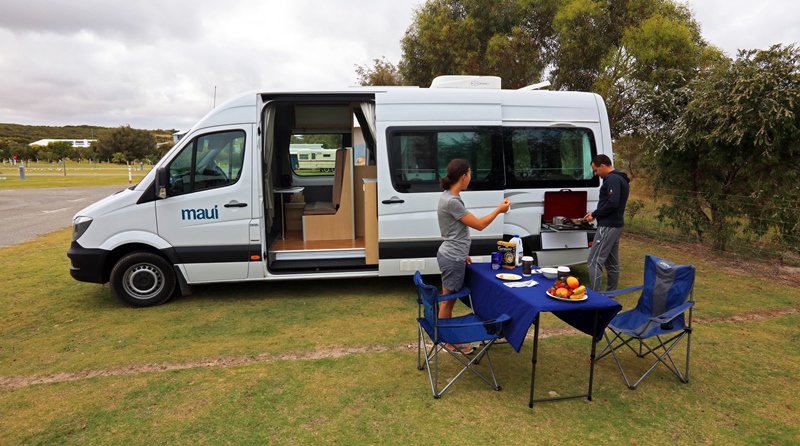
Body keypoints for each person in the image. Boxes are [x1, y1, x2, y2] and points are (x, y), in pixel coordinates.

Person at [437, 159, 510, 354]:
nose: (470, 178)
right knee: (448, 302)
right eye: (469, 174)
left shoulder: (449, 196)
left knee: (448, 300)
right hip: (452, 257)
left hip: (454, 254)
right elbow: (478, 225)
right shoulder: (452, 200)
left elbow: (455, 230)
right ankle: (448, 342)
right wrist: (498, 210)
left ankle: (447, 339)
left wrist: (463, 253)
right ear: (463, 176)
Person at [584, 154, 631, 292]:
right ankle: (611, 294)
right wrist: (595, 215)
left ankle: (595, 296)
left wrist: (595, 213)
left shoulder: (613, 179)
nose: (595, 173)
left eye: (596, 170)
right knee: (612, 263)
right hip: (615, 225)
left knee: (594, 261)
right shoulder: (620, 178)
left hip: (608, 226)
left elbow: (612, 203)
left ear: (603, 166)